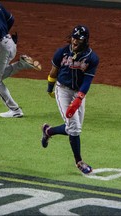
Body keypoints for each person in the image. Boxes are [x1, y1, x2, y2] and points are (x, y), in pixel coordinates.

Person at [41, 25, 99, 175]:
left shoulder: (92, 58)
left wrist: (79, 98)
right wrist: (49, 88)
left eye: (78, 39)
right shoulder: (62, 52)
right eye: (73, 37)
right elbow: (54, 71)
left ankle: (48, 131)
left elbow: (87, 81)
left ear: (85, 40)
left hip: (78, 93)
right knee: (74, 128)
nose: (74, 41)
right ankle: (79, 162)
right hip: (63, 90)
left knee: (74, 128)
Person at [0, 0, 42, 118]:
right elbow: (11, 19)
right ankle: (22, 64)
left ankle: (15, 110)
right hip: (10, 42)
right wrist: (4, 33)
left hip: (0, 47)